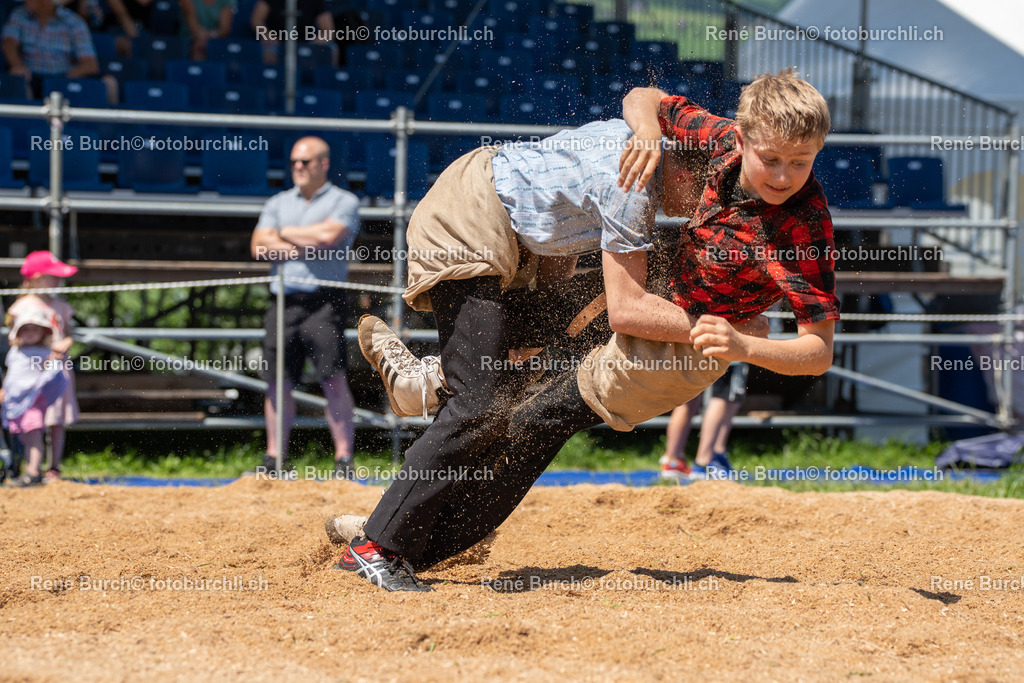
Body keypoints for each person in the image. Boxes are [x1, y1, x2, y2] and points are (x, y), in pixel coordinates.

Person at [338, 69, 840, 591]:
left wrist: (743, 343)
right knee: (484, 402)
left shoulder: (796, 218)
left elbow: (817, 350)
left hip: (520, 237)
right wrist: (646, 132)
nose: (783, 176)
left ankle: (421, 416)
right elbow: (627, 307)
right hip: (473, 214)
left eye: (800, 163)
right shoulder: (640, 181)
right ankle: (379, 544)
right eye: (772, 161)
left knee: (520, 401)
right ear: (733, 143)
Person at [249, 136, 359, 478]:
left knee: (333, 380)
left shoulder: (346, 200)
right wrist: (308, 240)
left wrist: (281, 235)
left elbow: (329, 238)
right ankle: (275, 460)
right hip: (283, 301)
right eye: (295, 161)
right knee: (277, 382)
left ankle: (343, 461)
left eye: (305, 162)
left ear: (323, 164)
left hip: (324, 302)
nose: (298, 167)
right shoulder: (278, 201)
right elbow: (258, 246)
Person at [6, 251, 80, 482]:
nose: (57, 280)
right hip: (29, 372)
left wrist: (64, 343)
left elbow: (68, 334)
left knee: (56, 419)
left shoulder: (61, 306)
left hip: (56, 370)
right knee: (30, 421)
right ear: (37, 277)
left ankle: (53, 467)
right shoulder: (21, 306)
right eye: (52, 276)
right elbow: (13, 337)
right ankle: (31, 469)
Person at [2, 304, 70, 487]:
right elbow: (12, 376)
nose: (30, 332)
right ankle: (29, 469)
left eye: (35, 328)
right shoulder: (16, 352)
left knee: (33, 437)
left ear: (43, 331)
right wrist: (4, 391)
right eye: (26, 328)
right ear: (19, 331)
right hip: (14, 402)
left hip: (32, 402)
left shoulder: (45, 353)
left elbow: (54, 370)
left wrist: (57, 357)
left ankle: (33, 472)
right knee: (25, 438)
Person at [660, 362, 748, 480]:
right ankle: (705, 462)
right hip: (725, 352)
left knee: (688, 399)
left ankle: (673, 462)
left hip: (692, 351)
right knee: (724, 398)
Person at [1, 0, 99, 99]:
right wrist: (17, 66)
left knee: (105, 83)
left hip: (63, 78)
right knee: (19, 83)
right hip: (30, 77)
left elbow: (89, 65)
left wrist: (62, 80)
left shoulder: (74, 21)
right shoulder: (19, 14)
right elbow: (9, 43)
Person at [250, 0, 336, 65]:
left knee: (332, 48)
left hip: (306, 43)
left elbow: (328, 30)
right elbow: (256, 20)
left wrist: (314, 44)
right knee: (268, 51)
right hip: (278, 42)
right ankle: (272, 86)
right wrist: (266, 35)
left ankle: (318, 84)